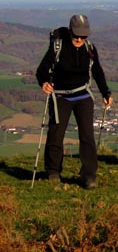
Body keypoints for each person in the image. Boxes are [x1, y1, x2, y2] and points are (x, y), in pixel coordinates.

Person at [35, 14, 113, 189]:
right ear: (70, 32)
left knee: (87, 136)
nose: (79, 39)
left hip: (83, 95)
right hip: (60, 96)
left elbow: (98, 71)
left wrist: (105, 92)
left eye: (83, 36)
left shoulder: (90, 48)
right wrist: (44, 82)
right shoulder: (57, 46)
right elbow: (42, 69)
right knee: (56, 134)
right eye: (76, 35)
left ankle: (89, 176)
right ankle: (53, 172)